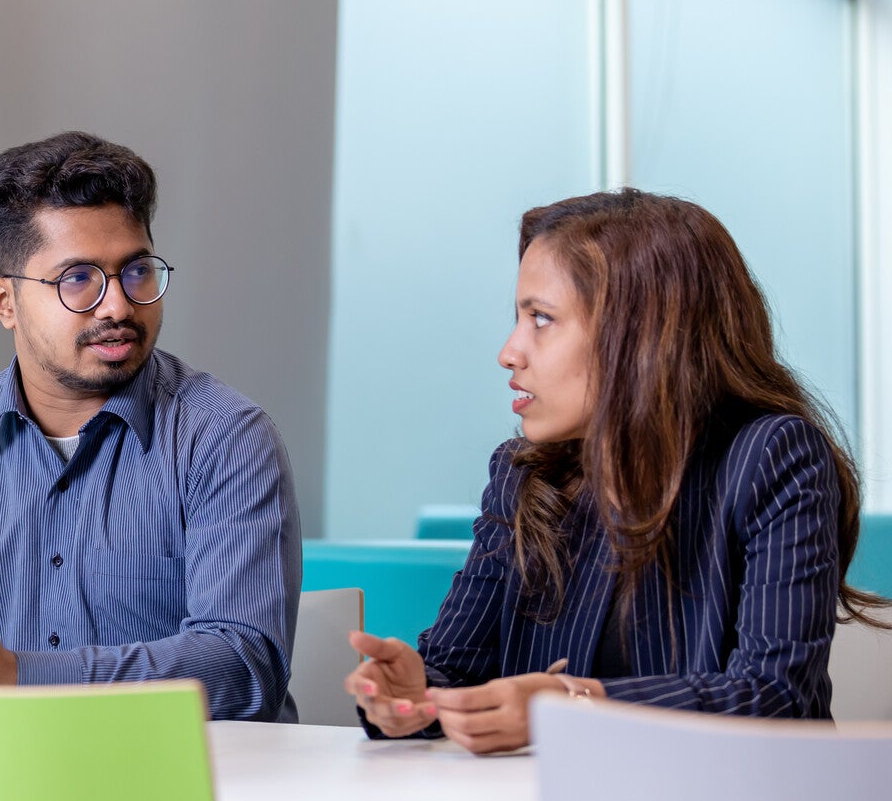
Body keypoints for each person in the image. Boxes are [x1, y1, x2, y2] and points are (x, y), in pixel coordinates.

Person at [346, 189, 888, 753]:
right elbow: (455, 669)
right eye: (518, 318)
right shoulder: (521, 474)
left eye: (541, 319)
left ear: (639, 335)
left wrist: (572, 705)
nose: (509, 352)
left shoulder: (773, 455)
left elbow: (774, 697)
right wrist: (416, 697)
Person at [0, 131, 302, 721]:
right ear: (3, 301)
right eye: (78, 278)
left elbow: (240, 666)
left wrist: (14, 677)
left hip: (186, 782)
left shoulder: (224, 436)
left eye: (136, 272)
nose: (118, 306)